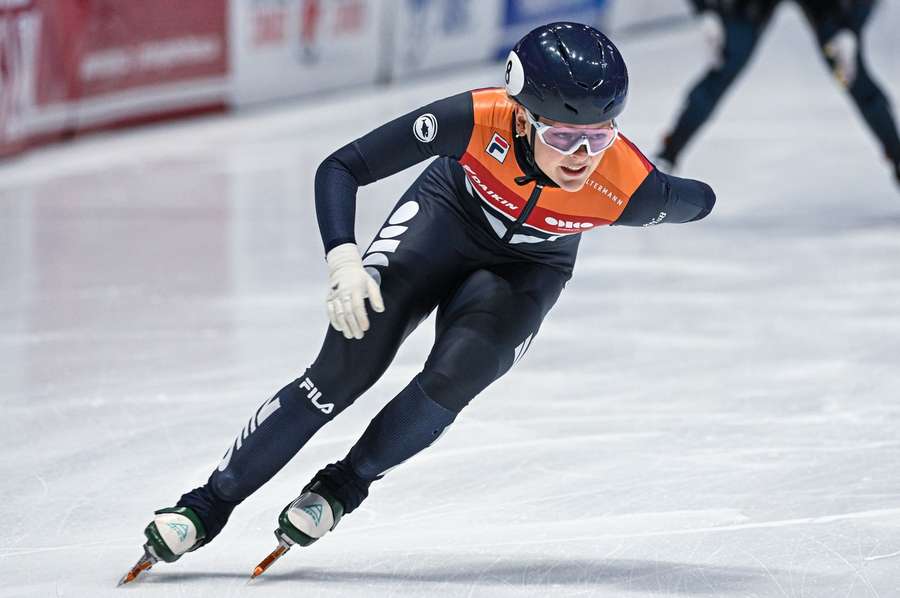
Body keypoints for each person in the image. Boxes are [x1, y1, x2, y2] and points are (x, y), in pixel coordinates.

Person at [120, 22, 716, 584]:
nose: (581, 156)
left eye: (599, 135)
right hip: (444, 222)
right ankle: (205, 506)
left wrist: (687, 195)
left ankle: (342, 487)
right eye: (563, 136)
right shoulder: (474, 119)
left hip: (530, 265)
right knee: (341, 373)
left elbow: (698, 200)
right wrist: (342, 258)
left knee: (455, 379)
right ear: (520, 114)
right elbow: (343, 166)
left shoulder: (627, 186)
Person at [657, 0, 900, 186]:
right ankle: (667, 155)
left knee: (851, 70)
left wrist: (850, 26)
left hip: (827, 7)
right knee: (726, 64)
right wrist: (705, 10)